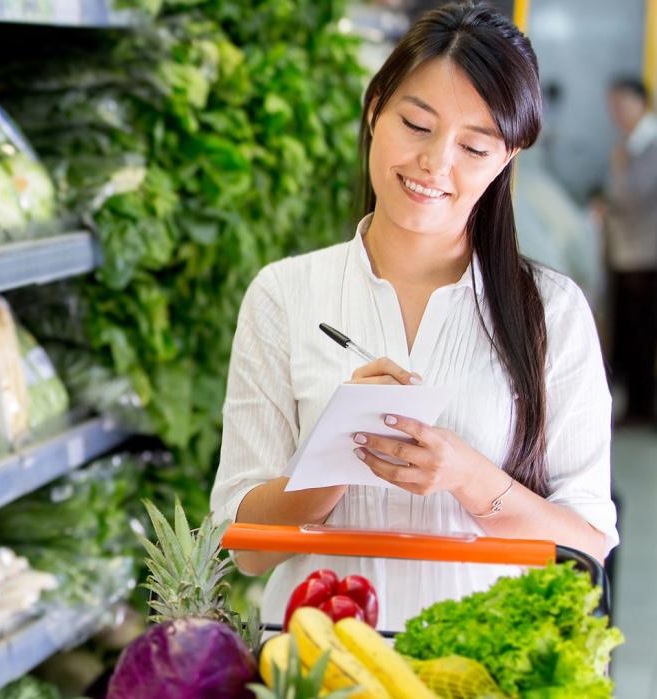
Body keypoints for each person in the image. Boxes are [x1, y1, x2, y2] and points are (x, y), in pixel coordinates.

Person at [210, 1, 617, 630]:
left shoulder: (551, 311)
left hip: (479, 671)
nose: (436, 164)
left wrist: (468, 476)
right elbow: (247, 548)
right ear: (375, 110)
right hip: (316, 667)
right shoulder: (283, 294)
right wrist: (333, 456)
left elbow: (585, 543)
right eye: (416, 125)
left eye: (475, 146)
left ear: (506, 159)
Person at [603, 77, 657, 425]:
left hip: (646, 254)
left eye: (623, 105)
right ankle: (638, 406)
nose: (617, 113)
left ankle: (643, 409)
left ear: (642, 103)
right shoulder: (630, 144)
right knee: (633, 331)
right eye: (613, 107)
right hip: (630, 251)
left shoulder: (647, 144)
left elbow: (634, 195)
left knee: (643, 332)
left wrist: (608, 203)